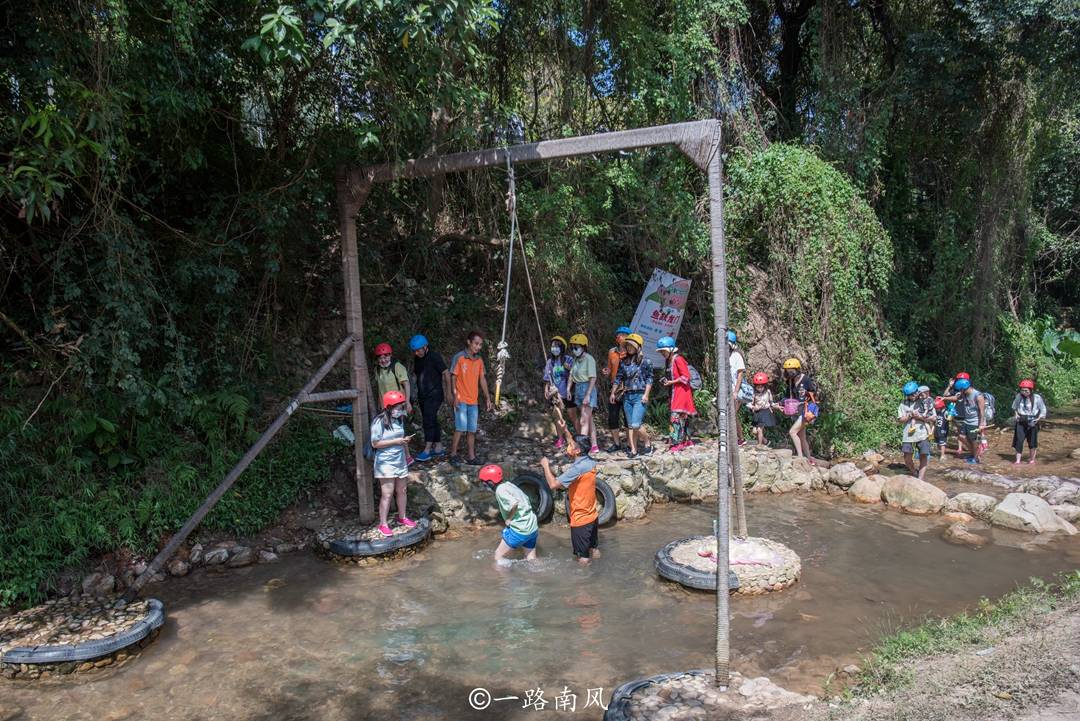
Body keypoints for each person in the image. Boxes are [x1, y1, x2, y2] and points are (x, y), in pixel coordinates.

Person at [540, 433, 600, 565]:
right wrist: (564, 428)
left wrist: (545, 466)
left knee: (582, 558)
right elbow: (571, 439)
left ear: (577, 450)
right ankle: (598, 573)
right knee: (594, 549)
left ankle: (584, 583)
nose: (568, 446)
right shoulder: (590, 461)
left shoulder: (577, 469)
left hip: (581, 520)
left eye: (571, 445)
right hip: (593, 516)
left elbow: (553, 485)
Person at [370, 390, 417, 537]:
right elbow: (375, 443)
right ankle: (383, 524)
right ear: (389, 406)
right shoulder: (379, 421)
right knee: (387, 493)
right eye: (398, 407)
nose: (400, 410)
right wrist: (396, 441)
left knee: (402, 490)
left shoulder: (399, 419)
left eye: (401, 407)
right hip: (385, 462)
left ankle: (402, 517)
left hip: (400, 460)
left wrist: (406, 448)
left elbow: (401, 438)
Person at [449, 330, 494, 466]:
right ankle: (453, 454)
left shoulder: (479, 360)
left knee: (472, 430)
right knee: (460, 428)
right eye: (476, 343)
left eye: (480, 345)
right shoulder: (459, 357)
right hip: (461, 399)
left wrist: (487, 398)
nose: (478, 347)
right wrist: (455, 395)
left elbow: (482, 380)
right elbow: (453, 376)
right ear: (469, 342)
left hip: (473, 401)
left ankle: (471, 457)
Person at [478, 464, 539, 564]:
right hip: (532, 526)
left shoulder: (500, 490)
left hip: (520, 529)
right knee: (531, 559)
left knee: (498, 557)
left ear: (490, 482)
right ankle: (539, 576)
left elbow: (514, 504)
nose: (484, 485)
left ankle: (506, 579)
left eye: (484, 482)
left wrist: (509, 519)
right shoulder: (508, 484)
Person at [610, 333, 654, 457]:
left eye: (631, 345)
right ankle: (633, 450)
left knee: (636, 424)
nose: (629, 348)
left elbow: (650, 379)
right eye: (627, 345)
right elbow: (618, 379)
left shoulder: (646, 361)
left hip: (640, 395)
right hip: (627, 396)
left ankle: (647, 443)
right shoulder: (624, 362)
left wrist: (646, 394)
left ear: (638, 347)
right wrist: (613, 392)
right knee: (630, 425)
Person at [410, 334, 451, 462]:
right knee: (432, 419)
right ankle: (438, 447)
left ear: (425, 346)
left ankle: (427, 450)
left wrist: (449, 392)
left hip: (435, 394)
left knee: (428, 420)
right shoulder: (417, 359)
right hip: (423, 395)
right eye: (415, 351)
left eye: (419, 350)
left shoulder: (434, 357)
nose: (417, 353)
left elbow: (446, 373)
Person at [656, 336, 696, 451]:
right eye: (661, 351)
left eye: (664, 351)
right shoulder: (668, 360)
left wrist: (671, 382)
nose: (662, 353)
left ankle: (676, 443)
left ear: (670, 349)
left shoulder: (678, 359)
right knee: (682, 417)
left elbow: (686, 377)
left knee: (675, 417)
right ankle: (686, 440)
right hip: (674, 392)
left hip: (681, 392)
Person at [567, 333, 600, 454]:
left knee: (583, 420)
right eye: (572, 348)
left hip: (588, 389)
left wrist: (587, 394)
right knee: (589, 419)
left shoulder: (589, 359)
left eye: (576, 347)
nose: (574, 350)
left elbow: (593, 378)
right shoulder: (576, 360)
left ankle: (582, 447)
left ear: (583, 347)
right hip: (578, 389)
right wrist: (568, 389)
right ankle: (594, 445)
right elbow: (571, 375)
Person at [543, 335, 577, 449]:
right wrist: (546, 389)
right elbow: (547, 378)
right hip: (556, 394)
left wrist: (569, 369)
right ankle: (561, 439)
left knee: (572, 416)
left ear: (562, 347)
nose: (554, 348)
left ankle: (580, 437)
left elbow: (575, 375)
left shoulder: (569, 359)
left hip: (568, 393)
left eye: (557, 346)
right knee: (558, 417)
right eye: (553, 346)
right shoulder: (550, 362)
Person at [782, 357, 818, 463]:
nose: (790, 373)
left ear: (797, 369)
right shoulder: (790, 381)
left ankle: (800, 457)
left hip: (806, 410)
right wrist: (781, 404)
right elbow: (787, 396)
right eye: (788, 371)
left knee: (792, 432)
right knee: (802, 436)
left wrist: (806, 398)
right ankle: (809, 458)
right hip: (798, 411)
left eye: (791, 371)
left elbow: (813, 393)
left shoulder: (805, 379)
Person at [602, 326, 631, 452]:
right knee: (613, 417)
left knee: (628, 417)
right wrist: (606, 371)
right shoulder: (612, 352)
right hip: (614, 388)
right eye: (619, 334)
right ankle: (617, 444)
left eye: (623, 334)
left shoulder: (632, 352)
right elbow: (609, 368)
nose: (620, 336)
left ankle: (630, 444)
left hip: (628, 388)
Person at [897, 381, 933, 479]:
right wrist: (910, 415)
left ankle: (920, 479)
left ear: (917, 391)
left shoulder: (926, 401)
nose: (912, 396)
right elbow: (900, 420)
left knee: (923, 455)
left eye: (913, 394)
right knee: (907, 457)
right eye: (909, 395)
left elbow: (934, 418)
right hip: (908, 434)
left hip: (923, 433)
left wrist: (921, 417)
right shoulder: (903, 404)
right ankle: (914, 472)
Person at [947, 378, 986, 464]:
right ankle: (974, 453)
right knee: (961, 436)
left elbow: (982, 411)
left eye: (960, 390)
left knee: (973, 440)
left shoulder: (978, 395)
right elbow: (956, 398)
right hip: (967, 420)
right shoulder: (964, 393)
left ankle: (975, 458)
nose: (960, 392)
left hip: (975, 421)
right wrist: (944, 398)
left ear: (963, 388)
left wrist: (981, 424)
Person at [1011, 379, 1047, 465]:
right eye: (1022, 390)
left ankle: (1031, 460)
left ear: (1031, 390)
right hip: (1021, 420)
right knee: (1019, 440)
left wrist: (1039, 418)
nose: (1024, 392)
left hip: (1032, 421)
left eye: (1026, 390)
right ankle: (1018, 460)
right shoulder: (1018, 396)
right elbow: (1015, 407)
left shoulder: (1037, 398)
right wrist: (1016, 414)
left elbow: (1043, 409)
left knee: (1032, 441)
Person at [372, 342, 411, 413]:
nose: (383, 360)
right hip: (385, 405)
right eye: (380, 358)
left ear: (390, 355)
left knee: (397, 423)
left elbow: (406, 384)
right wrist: (379, 404)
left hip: (398, 404)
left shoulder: (397, 367)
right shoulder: (377, 370)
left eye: (385, 357)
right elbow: (380, 388)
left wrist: (407, 402)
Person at [727, 330, 748, 446]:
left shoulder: (736, 356)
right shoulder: (725, 356)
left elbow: (740, 374)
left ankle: (739, 438)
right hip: (727, 390)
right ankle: (739, 438)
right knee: (732, 415)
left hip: (736, 390)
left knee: (732, 414)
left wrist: (736, 391)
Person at [748, 372, 779, 447]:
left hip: (765, 412)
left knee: (759, 429)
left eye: (761, 387)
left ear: (765, 386)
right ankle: (766, 441)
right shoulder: (754, 393)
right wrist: (753, 407)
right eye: (758, 387)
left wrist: (776, 406)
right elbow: (749, 403)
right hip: (757, 413)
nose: (760, 388)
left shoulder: (768, 392)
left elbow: (771, 402)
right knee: (754, 431)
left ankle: (759, 445)